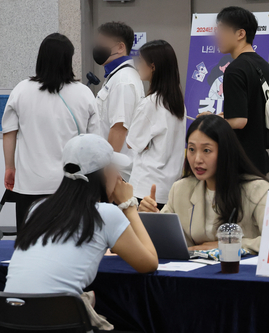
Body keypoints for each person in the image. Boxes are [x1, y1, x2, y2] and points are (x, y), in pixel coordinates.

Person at [4, 134, 158, 297]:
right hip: (58, 318)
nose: (119, 177)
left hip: (11, 315)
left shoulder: (38, 208)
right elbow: (149, 263)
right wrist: (129, 206)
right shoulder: (106, 214)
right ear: (105, 174)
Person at [2, 33, 100, 231]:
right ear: (69, 60)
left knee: (29, 246)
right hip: (72, 187)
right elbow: (94, 143)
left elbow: (9, 132)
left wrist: (10, 167)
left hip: (30, 185)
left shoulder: (21, 90)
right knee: (69, 244)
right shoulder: (84, 93)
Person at [138, 115, 269, 253]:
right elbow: (163, 239)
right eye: (191, 149)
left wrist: (226, 245)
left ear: (225, 151)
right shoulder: (180, 189)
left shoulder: (256, 190)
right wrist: (147, 217)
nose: (197, 159)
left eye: (206, 150)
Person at [211, 6, 269, 175]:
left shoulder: (235, 69)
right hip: (261, 164)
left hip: (241, 166)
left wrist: (211, 122)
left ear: (240, 34)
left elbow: (239, 121)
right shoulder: (264, 66)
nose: (217, 36)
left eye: (221, 29)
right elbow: (254, 112)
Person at [127, 40, 186, 208]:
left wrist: (146, 143)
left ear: (153, 67)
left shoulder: (150, 103)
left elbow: (132, 143)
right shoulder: (178, 103)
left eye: (140, 61)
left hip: (145, 188)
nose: (137, 65)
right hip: (169, 188)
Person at [93, 21, 145, 180]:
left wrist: (107, 169)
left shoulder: (123, 80)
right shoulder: (117, 76)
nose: (98, 47)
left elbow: (119, 127)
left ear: (120, 47)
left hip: (118, 173)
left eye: (103, 43)